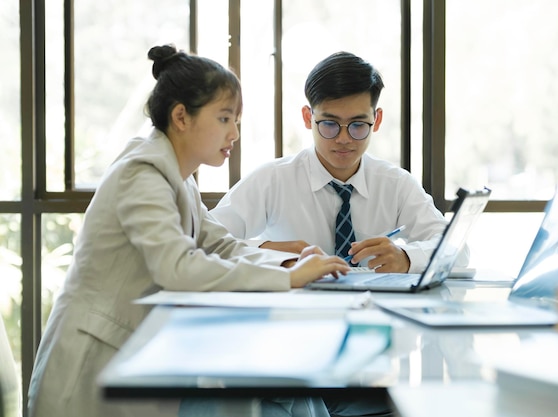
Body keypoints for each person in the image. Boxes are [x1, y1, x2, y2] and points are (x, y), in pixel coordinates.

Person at [27, 44, 350, 417]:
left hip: (132, 357)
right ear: (181, 117)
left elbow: (222, 245)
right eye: (225, 118)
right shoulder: (142, 174)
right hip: (92, 368)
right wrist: (289, 280)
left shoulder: (178, 177)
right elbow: (177, 267)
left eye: (237, 120)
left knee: (284, 389)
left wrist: (291, 263)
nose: (235, 133)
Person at [210, 51, 469, 274]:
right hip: (293, 318)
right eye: (329, 124)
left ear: (376, 120)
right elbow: (204, 241)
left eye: (358, 125)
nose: (344, 139)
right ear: (307, 117)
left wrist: (407, 258)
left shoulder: (396, 184)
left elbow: (457, 248)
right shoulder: (272, 180)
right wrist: (273, 253)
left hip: (374, 315)